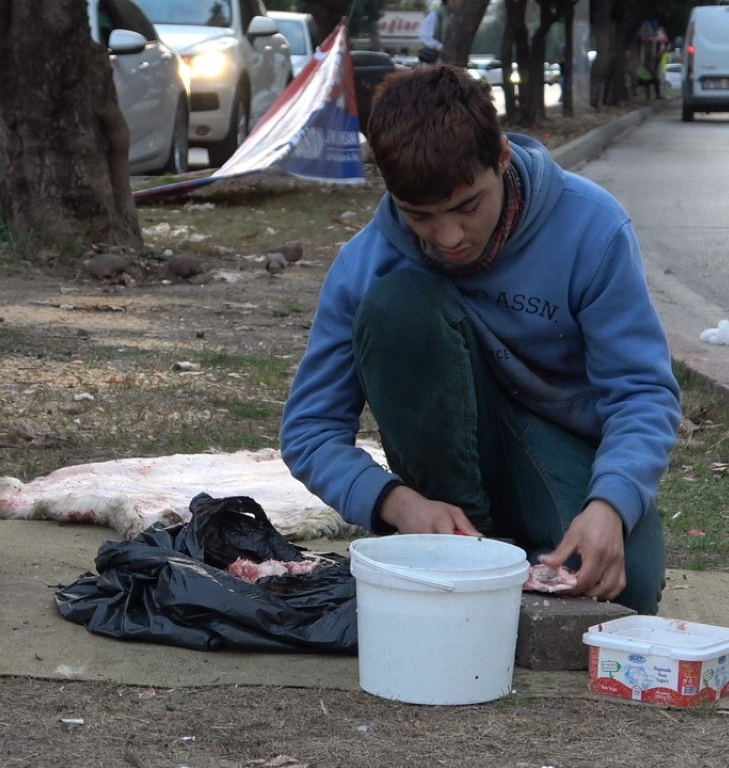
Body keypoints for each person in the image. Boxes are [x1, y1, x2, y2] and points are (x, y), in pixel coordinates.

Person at [278, 65, 681, 614]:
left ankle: (522, 546)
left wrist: (611, 504)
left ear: (502, 159)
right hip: (445, 470)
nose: (448, 238)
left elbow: (641, 392)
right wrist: (398, 504)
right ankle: (465, 554)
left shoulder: (593, 229)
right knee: (399, 306)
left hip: (561, 445)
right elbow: (310, 429)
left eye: (468, 206)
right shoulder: (365, 265)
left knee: (625, 588)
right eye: (419, 215)